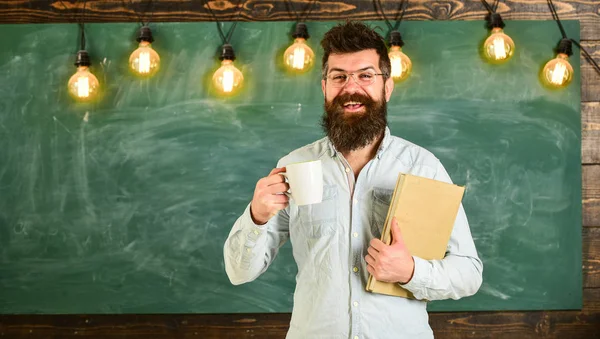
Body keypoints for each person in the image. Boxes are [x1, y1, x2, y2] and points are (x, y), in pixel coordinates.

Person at [224, 21, 483, 339]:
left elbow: (469, 273)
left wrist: (411, 271)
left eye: (365, 75)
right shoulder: (293, 166)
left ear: (387, 87)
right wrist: (256, 216)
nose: (351, 88)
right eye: (339, 77)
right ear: (324, 87)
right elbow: (239, 273)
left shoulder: (423, 167)